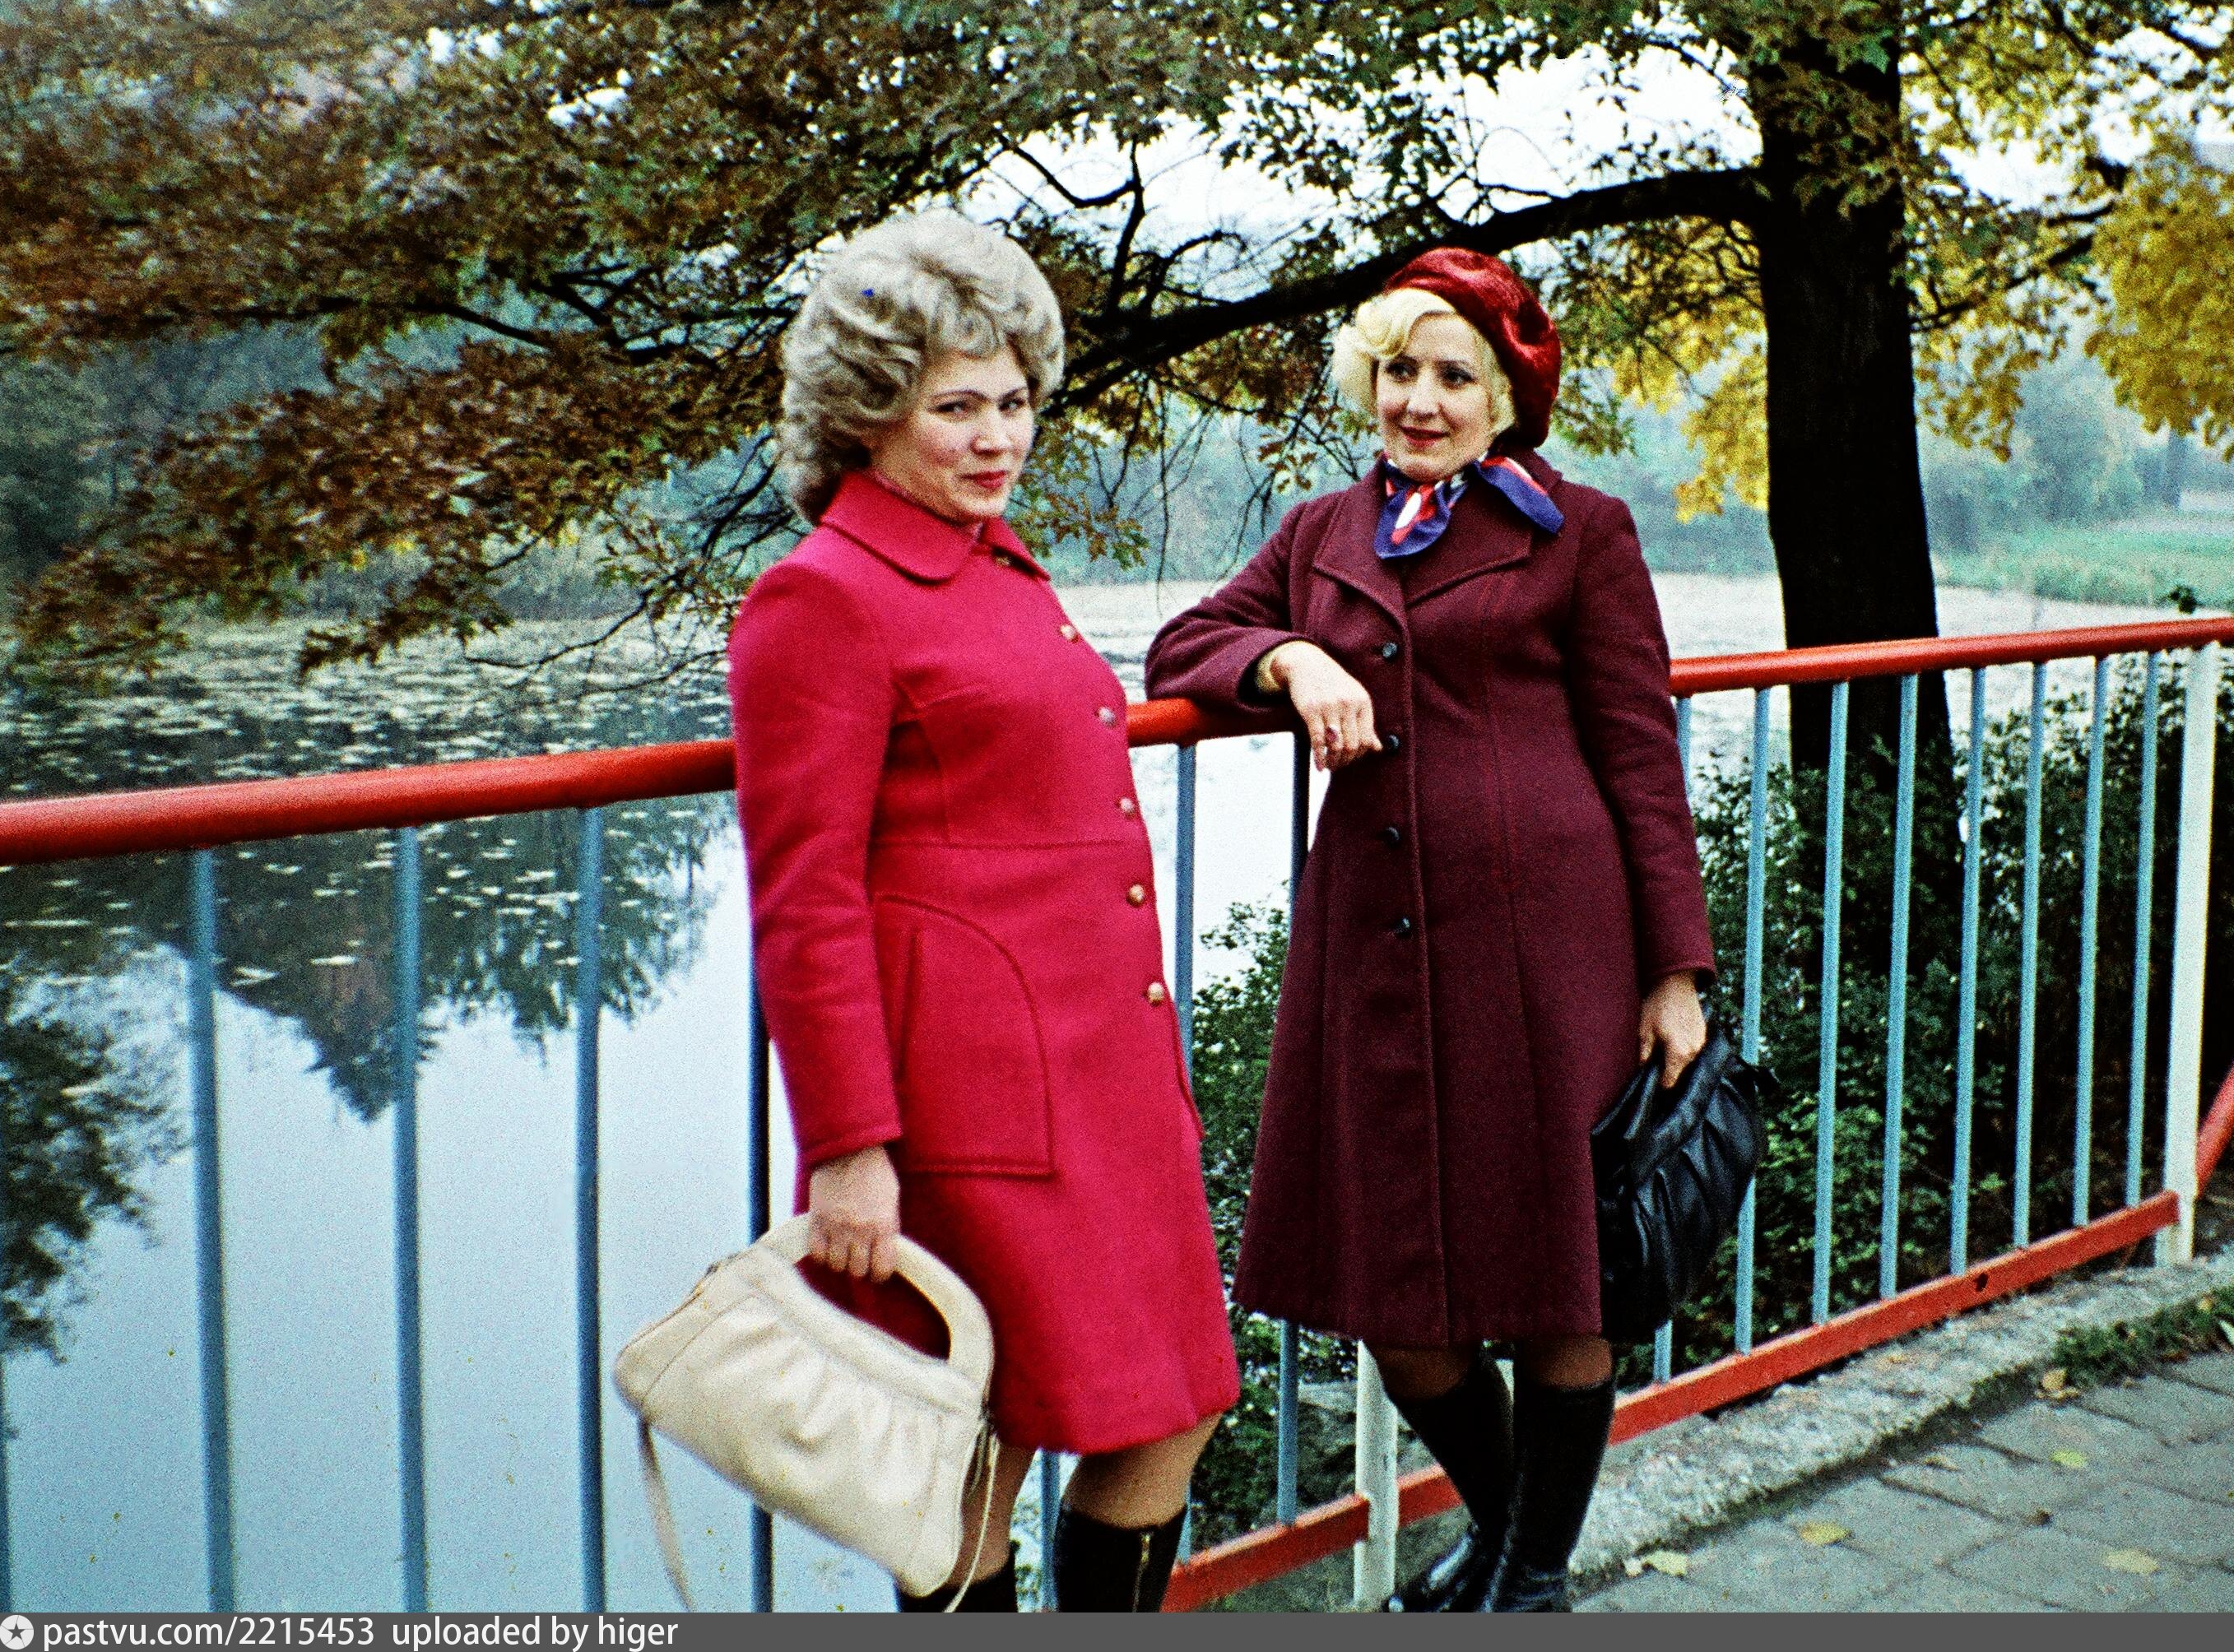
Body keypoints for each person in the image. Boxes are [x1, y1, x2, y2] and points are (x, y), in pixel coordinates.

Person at [1145, 248, 1716, 1613]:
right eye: (1398, 370)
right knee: (1398, 1305)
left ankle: (1526, 1578)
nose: (1420, 400)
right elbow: (1180, 650)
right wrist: (1289, 656)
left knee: (1559, 1280)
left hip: (1551, 948)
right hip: (1378, 955)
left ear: (1502, 399)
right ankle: (1513, 1535)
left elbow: (1639, 754)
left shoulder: (1580, 531)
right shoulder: (1320, 534)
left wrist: (1675, 971)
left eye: (1454, 375)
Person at [729, 211, 1238, 1612]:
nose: (997, 434)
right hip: (972, 1103)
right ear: (866, 414)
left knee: (1171, 1402)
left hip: (1098, 1076)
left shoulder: (992, 561)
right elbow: (804, 900)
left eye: (1013, 401)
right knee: (973, 1451)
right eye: (956, 407)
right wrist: (848, 1150)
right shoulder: (820, 597)